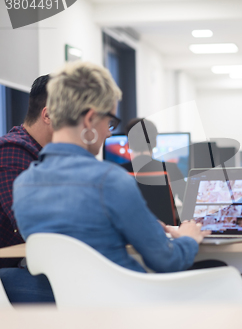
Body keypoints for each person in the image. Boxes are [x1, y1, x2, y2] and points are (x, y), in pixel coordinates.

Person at [12, 61, 210, 276]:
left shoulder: (23, 184)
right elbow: (166, 260)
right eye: (110, 122)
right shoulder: (110, 181)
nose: (109, 133)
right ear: (89, 120)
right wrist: (189, 238)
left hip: (63, 304)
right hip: (123, 302)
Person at [0, 75, 54, 303]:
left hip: (34, 264)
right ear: (48, 114)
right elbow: (34, 228)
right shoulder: (12, 152)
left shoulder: (48, 156)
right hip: (9, 272)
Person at [121, 118, 186, 223]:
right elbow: (189, 203)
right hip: (167, 231)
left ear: (129, 144)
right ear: (155, 143)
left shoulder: (118, 171)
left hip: (130, 234)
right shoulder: (171, 169)